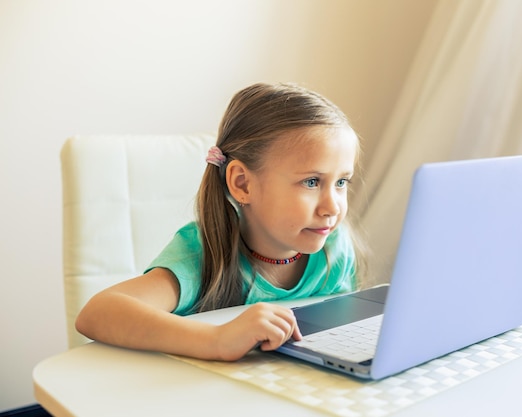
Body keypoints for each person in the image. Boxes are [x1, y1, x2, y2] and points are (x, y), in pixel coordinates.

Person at [75, 82, 368, 361]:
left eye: (342, 182)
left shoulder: (334, 248)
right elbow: (97, 313)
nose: (332, 207)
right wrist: (217, 339)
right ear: (242, 183)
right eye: (311, 182)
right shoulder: (203, 255)